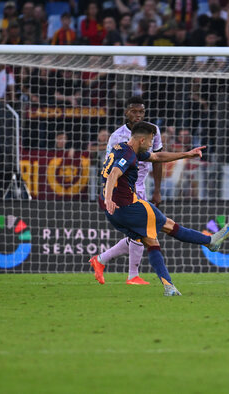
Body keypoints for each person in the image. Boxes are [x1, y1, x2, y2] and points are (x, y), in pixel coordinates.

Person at [94, 121, 229, 296]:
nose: (152, 144)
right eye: (151, 140)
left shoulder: (123, 148)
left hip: (116, 212)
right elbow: (114, 173)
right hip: (129, 206)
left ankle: (169, 286)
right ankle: (209, 242)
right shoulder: (128, 154)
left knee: (151, 240)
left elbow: (157, 157)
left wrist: (187, 154)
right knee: (169, 226)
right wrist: (108, 199)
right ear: (142, 140)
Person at [89, 97, 163, 285]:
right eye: (134, 111)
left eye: (141, 112)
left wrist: (158, 190)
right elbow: (109, 167)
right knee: (143, 231)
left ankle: (101, 260)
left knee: (139, 233)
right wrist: (109, 193)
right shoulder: (117, 136)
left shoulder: (152, 131)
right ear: (126, 112)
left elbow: (157, 159)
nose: (138, 115)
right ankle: (131, 275)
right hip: (124, 188)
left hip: (141, 185)